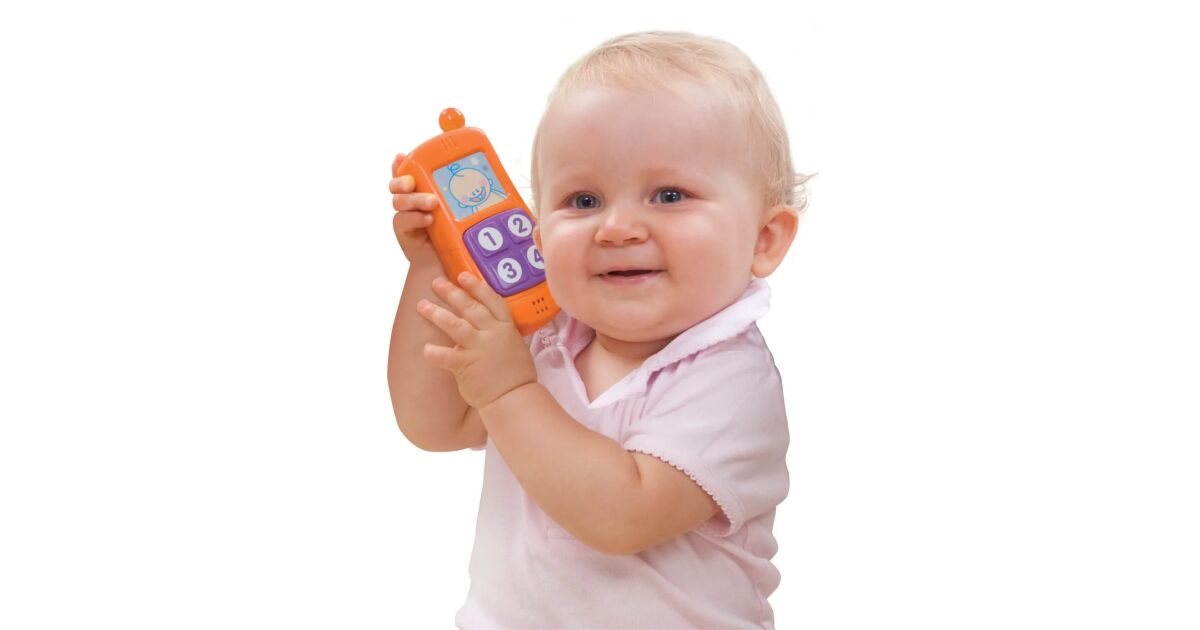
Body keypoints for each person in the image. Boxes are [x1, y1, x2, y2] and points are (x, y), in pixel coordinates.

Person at [387, 30, 812, 629]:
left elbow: (624, 515)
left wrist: (508, 390)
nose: (617, 227)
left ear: (764, 239)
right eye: (583, 200)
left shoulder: (731, 376)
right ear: (538, 232)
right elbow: (434, 424)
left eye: (669, 195)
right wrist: (432, 266)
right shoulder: (542, 335)